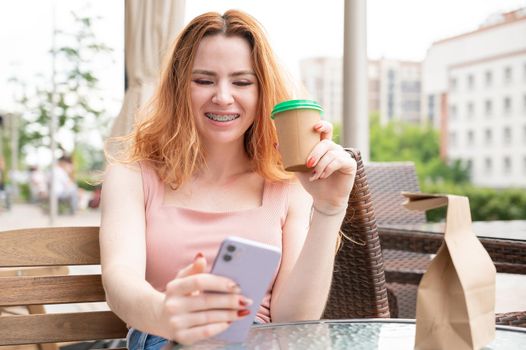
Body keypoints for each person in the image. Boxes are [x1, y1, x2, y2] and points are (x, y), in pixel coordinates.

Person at [100, 9, 356, 349]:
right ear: (179, 87)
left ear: (262, 91)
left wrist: (329, 208)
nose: (222, 96)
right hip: (165, 338)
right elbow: (120, 282)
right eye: (203, 80)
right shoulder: (132, 174)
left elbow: (293, 320)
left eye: (242, 82)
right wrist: (169, 314)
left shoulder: (289, 183)